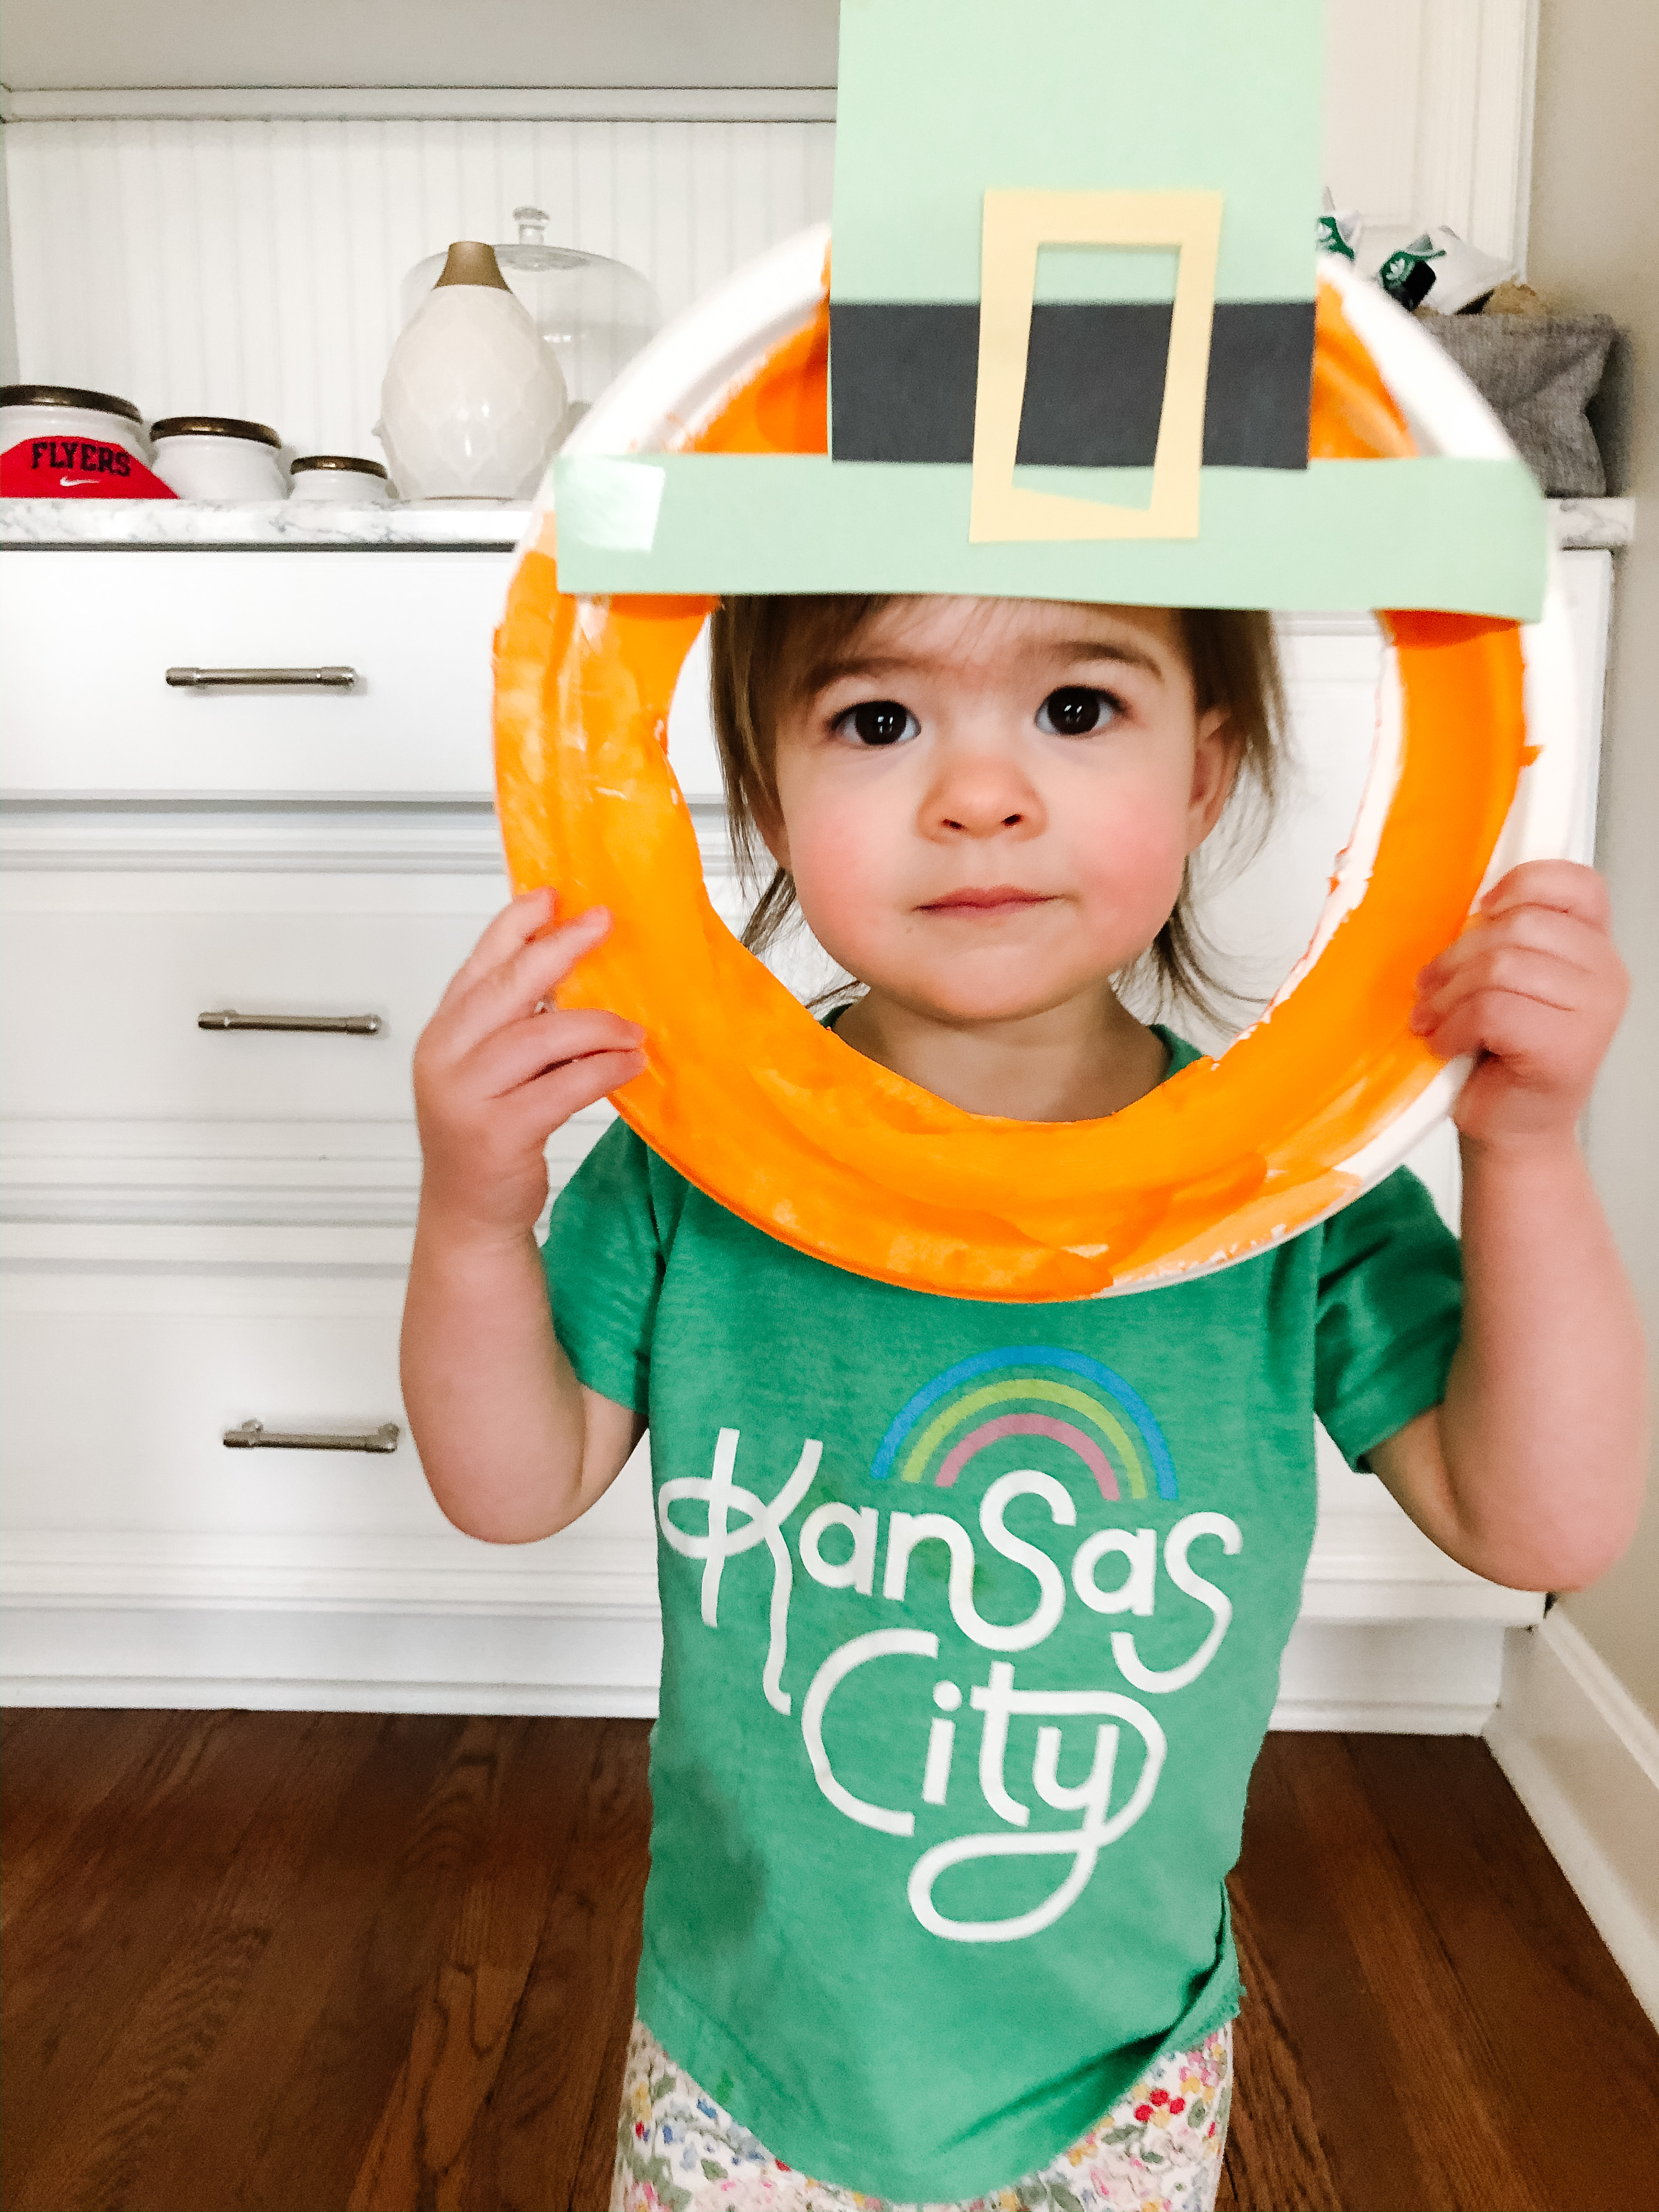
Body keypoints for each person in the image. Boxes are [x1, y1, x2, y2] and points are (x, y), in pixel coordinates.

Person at [401, 592, 1643, 2212]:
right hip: (746, 2061)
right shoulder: (693, 1161)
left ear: (1204, 776)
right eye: (877, 721)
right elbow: (510, 1484)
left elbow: (1543, 1524)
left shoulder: (1286, 1194)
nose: (977, 796)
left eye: (1074, 710)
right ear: (765, 794)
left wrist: (1526, 1154)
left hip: (1113, 2084)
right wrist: (471, 1215)